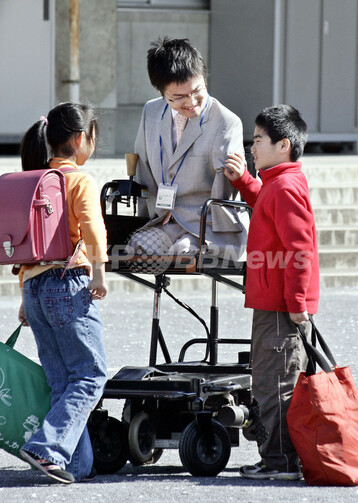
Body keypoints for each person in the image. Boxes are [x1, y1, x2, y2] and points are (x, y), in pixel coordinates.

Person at [224, 105, 319, 480]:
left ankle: (281, 463)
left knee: (276, 383)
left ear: (284, 145)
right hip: (275, 303)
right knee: (271, 379)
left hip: (282, 308)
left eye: (258, 140)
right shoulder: (278, 183)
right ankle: (277, 459)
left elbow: (300, 250)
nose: (252, 146)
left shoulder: (285, 187)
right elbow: (265, 204)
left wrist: (296, 304)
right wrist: (245, 181)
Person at [17, 102, 108, 484]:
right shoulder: (79, 180)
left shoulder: (34, 180)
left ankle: (73, 463)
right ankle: (47, 447)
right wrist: (99, 274)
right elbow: (91, 226)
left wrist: (24, 295)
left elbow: (23, 243)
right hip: (67, 283)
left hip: (34, 287)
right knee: (90, 375)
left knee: (62, 380)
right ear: (78, 139)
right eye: (92, 137)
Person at [128, 36, 248, 260]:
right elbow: (143, 166)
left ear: (204, 78)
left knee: (181, 253)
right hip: (163, 219)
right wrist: (144, 220)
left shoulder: (225, 122)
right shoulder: (151, 112)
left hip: (205, 225)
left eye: (197, 91)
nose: (191, 101)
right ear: (162, 93)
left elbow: (224, 189)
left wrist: (214, 235)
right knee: (135, 248)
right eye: (179, 97)